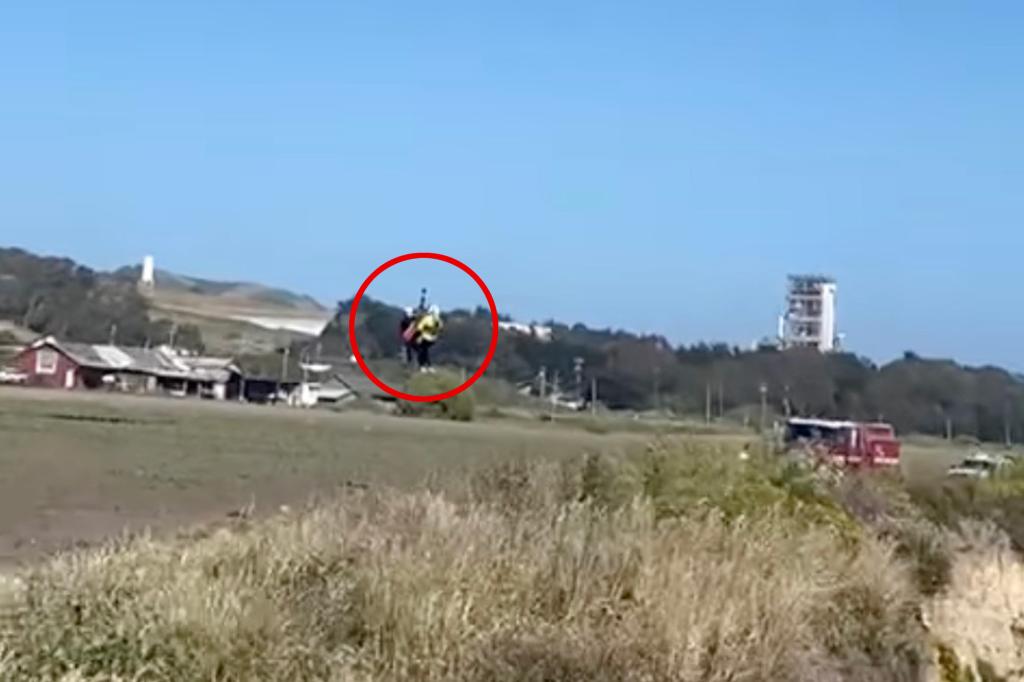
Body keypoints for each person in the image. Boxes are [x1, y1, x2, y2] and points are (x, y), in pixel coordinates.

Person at [413, 304, 443, 371]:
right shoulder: (439, 320)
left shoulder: (427, 318)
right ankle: (429, 366)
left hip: (425, 337)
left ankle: (422, 366)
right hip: (433, 339)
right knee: (425, 351)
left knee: (421, 351)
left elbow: (419, 328)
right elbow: (440, 329)